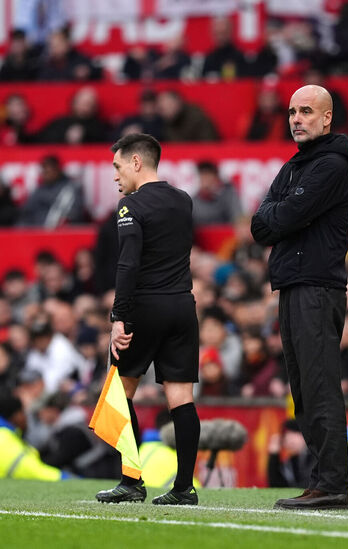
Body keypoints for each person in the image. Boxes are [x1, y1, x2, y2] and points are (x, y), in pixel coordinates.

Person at [250, 84, 348, 510]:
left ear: (327, 118)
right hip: (293, 284)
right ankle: (320, 481)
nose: (296, 118)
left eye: (307, 111)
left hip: (317, 286)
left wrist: (280, 215)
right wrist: (280, 215)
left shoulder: (329, 166)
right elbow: (259, 226)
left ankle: (333, 484)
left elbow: (283, 215)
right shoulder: (295, 167)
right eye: (293, 111)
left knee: (319, 386)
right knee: (303, 391)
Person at [95, 133, 200, 506]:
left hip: (145, 309)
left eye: (118, 166)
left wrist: (118, 317)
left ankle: (131, 481)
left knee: (120, 395)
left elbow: (128, 264)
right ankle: (184, 488)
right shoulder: (183, 200)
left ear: (137, 162)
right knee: (181, 398)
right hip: (183, 307)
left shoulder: (130, 207)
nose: (115, 176)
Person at [0, 389, 66, 480]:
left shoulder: (8, 435)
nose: (26, 417)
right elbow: (36, 472)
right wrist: (70, 478)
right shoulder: (4, 440)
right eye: (23, 412)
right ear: (16, 415)